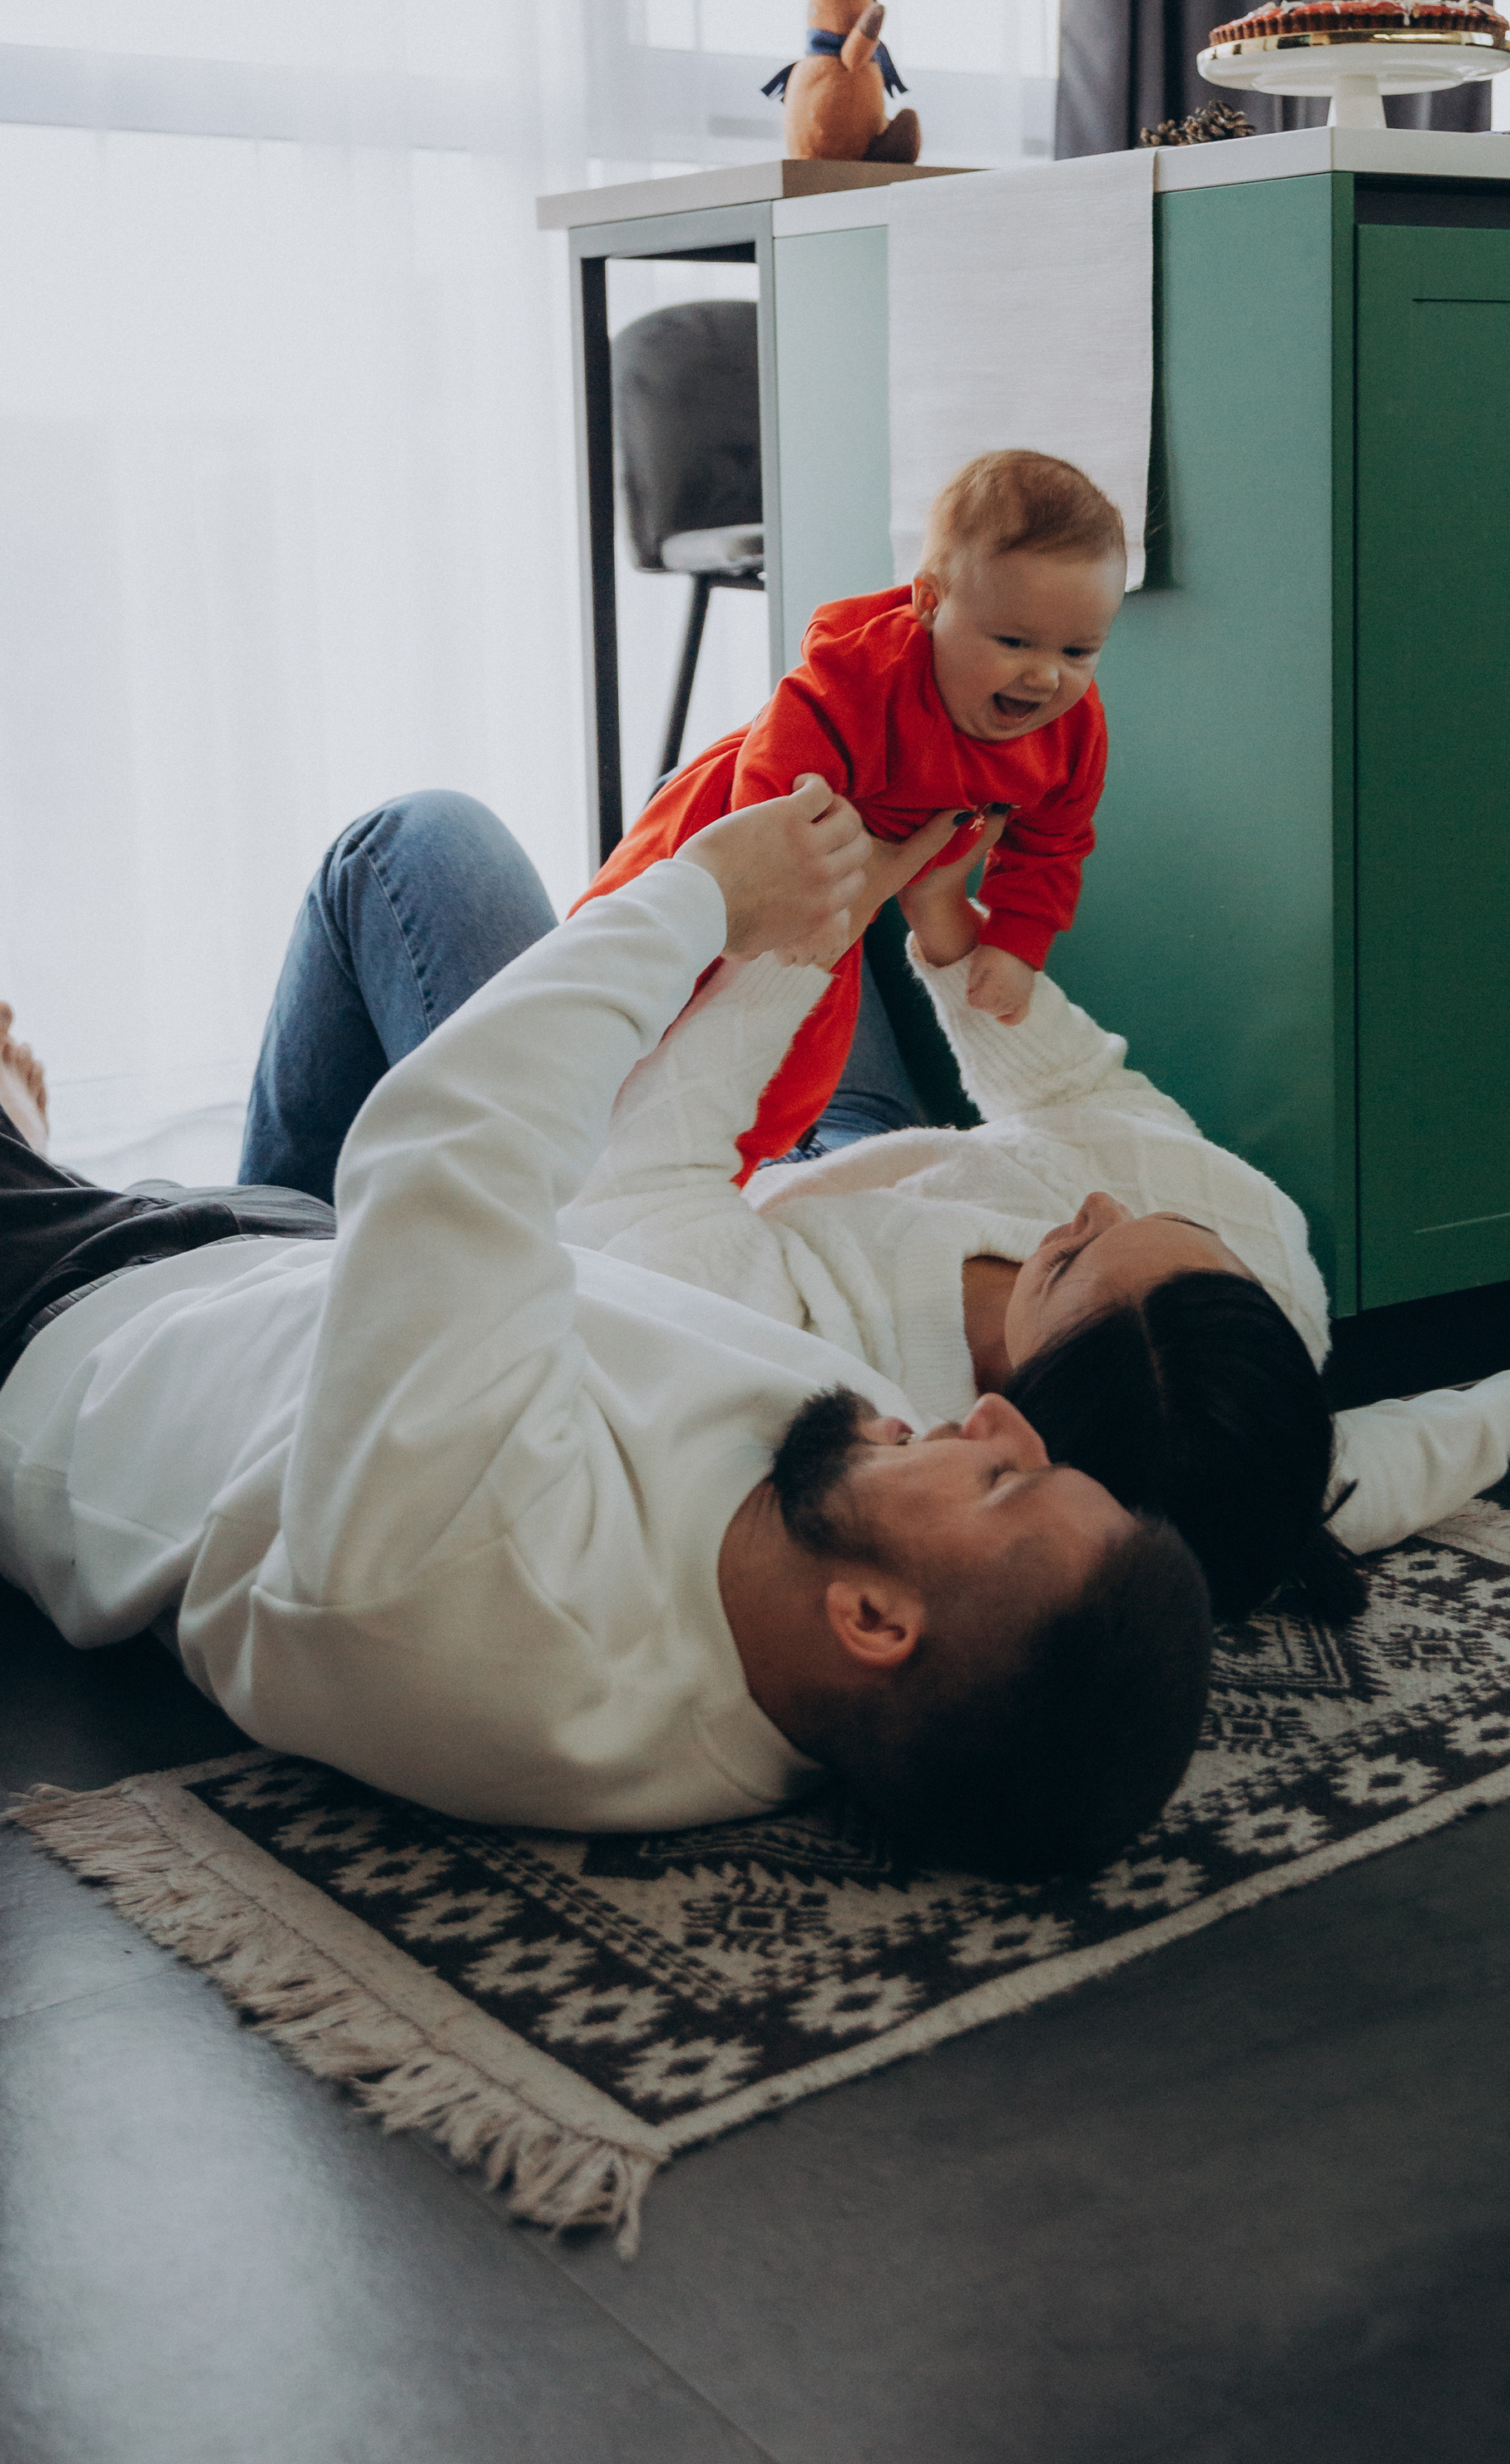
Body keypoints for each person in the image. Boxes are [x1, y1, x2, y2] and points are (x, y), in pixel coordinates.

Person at [0, 782, 1213, 1879]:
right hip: (301, 1259)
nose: (998, 1417)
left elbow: (441, 1144)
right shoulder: (828, 1548)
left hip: (72, 1317)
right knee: (414, 855)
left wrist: (706, 898)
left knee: (410, 846)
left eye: (1005, 1481)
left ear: (875, 1623)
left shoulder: (497, 1599)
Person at [230, 791, 1510, 1625]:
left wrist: (787, 932)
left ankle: (277, 1250)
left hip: (657, 1213)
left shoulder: (812, 1393)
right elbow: (1351, 1471)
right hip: (867, 1163)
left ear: (1012, 1409)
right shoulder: (1250, 1299)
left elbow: (638, 1172)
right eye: (1166, 1224)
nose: (1092, 1197)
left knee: (422, 847)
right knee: (853, 801)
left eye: (1068, 1254)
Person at [581, 450, 1126, 1181]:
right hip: (745, 834)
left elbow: (1054, 843)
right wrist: (784, 900)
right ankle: (584, 1119)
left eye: (1079, 651)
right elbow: (774, 777)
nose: (1045, 674)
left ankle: (731, 1171)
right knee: (640, 979)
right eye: (1014, 642)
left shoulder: (1072, 732)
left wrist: (1016, 942)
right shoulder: (862, 676)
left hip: (843, 898)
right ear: (930, 604)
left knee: (795, 1053)